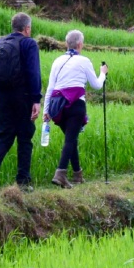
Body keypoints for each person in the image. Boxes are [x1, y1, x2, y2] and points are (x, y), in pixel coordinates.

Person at [0, 12, 42, 192]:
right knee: (25, 137)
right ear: (27, 28)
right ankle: (23, 182)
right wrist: (36, 100)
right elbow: (33, 73)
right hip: (23, 97)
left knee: (5, 136)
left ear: (13, 27)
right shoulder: (29, 43)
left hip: (2, 97)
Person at [43, 30, 107, 188]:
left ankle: (78, 174)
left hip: (57, 106)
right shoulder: (84, 61)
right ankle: (60, 174)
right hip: (75, 105)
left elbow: (50, 87)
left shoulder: (57, 61)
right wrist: (103, 73)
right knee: (70, 140)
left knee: (71, 140)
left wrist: (46, 110)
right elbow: (96, 85)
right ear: (80, 44)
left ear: (67, 44)